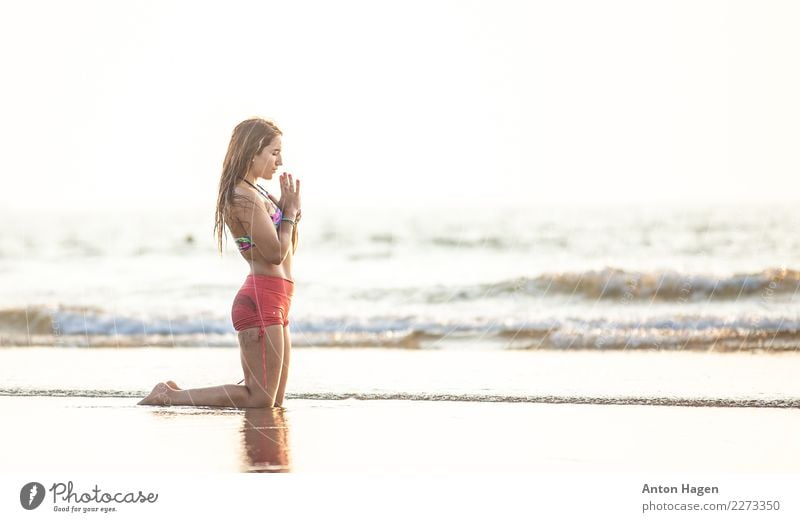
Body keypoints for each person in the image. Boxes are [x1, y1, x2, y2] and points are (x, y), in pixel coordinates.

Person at [138, 117, 302, 408]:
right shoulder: (243, 197)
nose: (280, 161)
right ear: (253, 152)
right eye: (274, 152)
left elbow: (285, 249)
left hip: (277, 298)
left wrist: (290, 216)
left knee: (272, 402)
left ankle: (174, 395)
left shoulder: (256, 192)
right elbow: (275, 253)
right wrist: (287, 214)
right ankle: (169, 396)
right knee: (259, 399)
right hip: (261, 299)